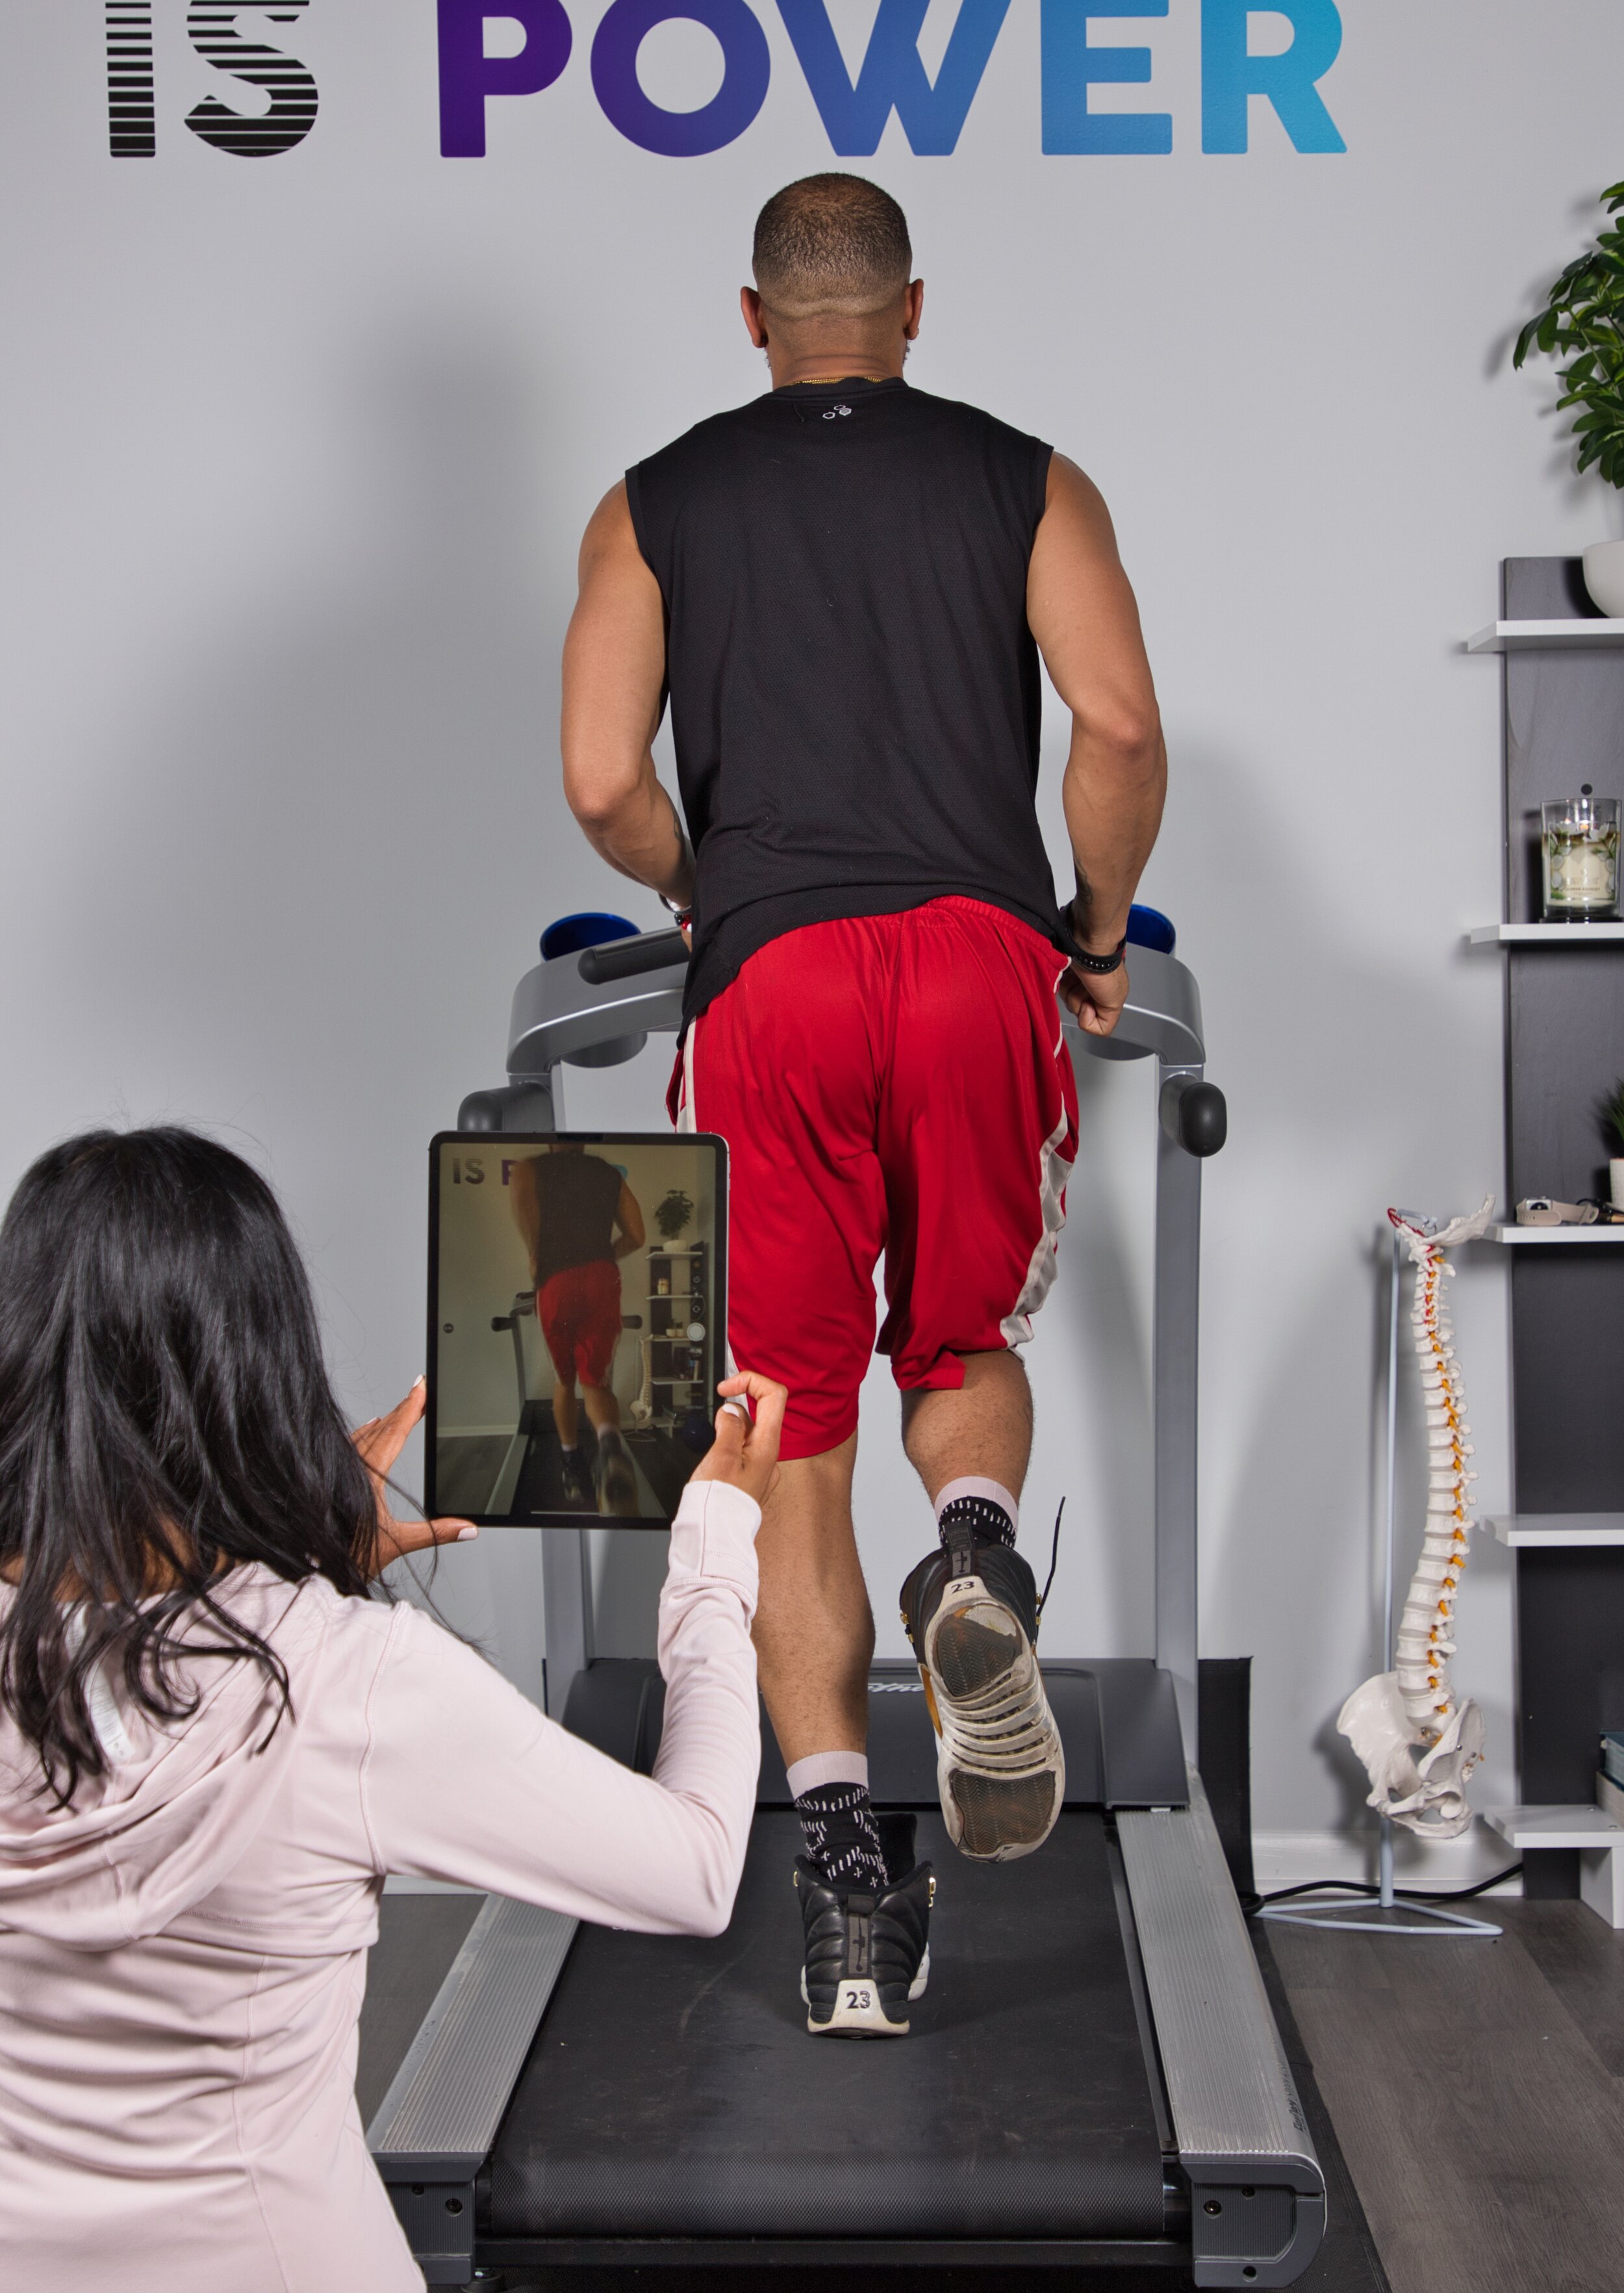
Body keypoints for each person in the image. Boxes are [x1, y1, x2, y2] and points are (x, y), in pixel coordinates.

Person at [561, 172, 1165, 2035]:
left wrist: (701, 877)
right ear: (916, 311)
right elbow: (1120, 728)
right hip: (977, 961)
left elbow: (601, 777)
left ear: (754, 319)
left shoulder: (652, 498)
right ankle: (974, 1542)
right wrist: (1092, 932)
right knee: (957, 1329)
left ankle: (838, 1897)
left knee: (787, 1426)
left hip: (772, 982)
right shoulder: (1026, 475)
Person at [0, 1127, 783, 2291]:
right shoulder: (352, 1684)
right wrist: (715, 1553)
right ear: (251, 1359)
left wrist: (308, 1573)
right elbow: (696, 1869)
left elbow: (133, 1684)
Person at [509, 1141, 645, 1510]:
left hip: (557, 1282)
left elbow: (524, 1206)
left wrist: (537, 1255)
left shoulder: (529, 1167)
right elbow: (637, 1235)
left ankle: (571, 1463)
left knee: (564, 1379)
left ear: (553, 1142)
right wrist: (601, 1256)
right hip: (603, 1279)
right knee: (595, 1378)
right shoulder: (608, 1173)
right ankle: (610, 1442)